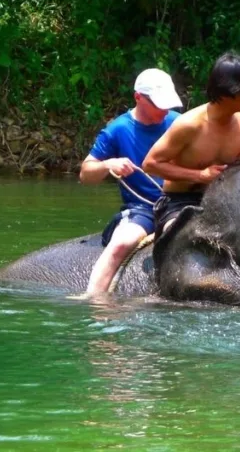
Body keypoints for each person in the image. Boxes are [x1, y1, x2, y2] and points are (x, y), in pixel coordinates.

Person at [78, 68, 183, 296]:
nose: (164, 110)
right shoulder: (118, 129)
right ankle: (93, 302)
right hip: (142, 209)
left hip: (179, 202)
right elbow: (86, 173)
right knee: (121, 244)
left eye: (167, 104)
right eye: (158, 104)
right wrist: (109, 164)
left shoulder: (179, 123)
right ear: (138, 98)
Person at [142, 51, 240, 236]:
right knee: (182, 239)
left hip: (222, 200)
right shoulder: (189, 125)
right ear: (226, 92)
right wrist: (200, 175)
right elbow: (150, 164)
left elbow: (239, 170)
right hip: (180, 202)